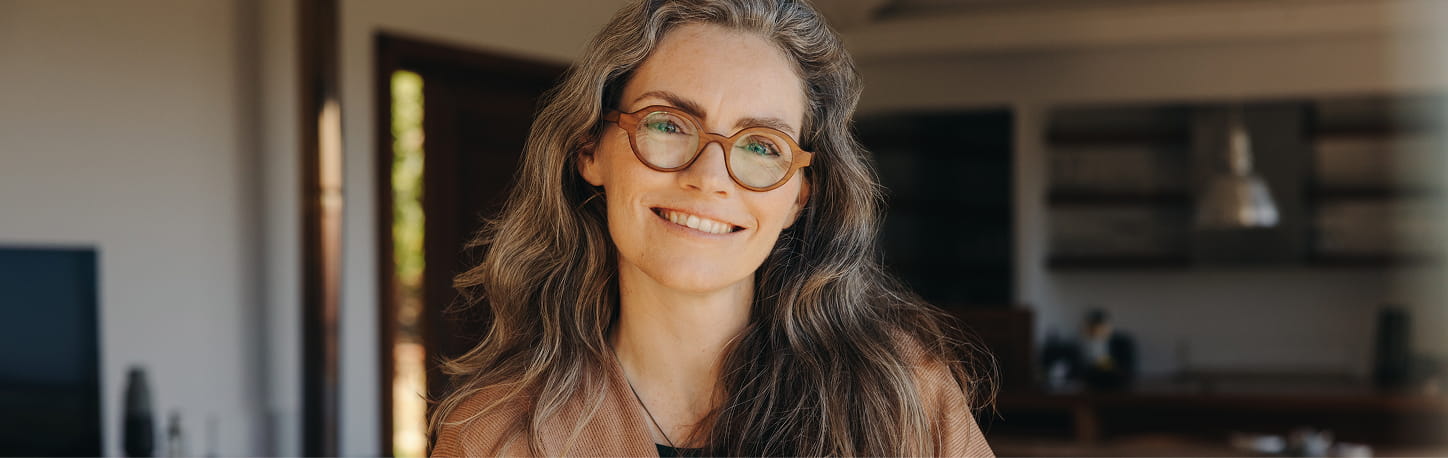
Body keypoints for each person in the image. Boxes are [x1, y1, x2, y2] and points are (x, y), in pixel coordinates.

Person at [428, 0, 997, 456]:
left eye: (760, 145)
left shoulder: (907, 402)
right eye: (669, 124)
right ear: (591, 149)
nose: (709, 178)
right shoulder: (490, 434)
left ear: (799, 194)